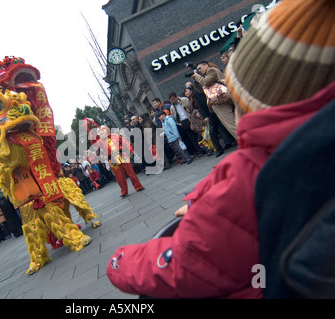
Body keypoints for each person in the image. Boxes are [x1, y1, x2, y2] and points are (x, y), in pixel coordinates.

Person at [106, 0, 335, 299]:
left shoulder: (259, 173)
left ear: (255, 94)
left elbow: (181, 266)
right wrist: (200, 205)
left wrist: (117, 262)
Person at [94, 125, 145, 198]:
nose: (102, 131)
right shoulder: (100, 141)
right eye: (100, 130)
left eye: (104, 129)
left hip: (123, 155)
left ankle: (138, 186)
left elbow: (125, 143)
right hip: (113, 159)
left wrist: (131, 150)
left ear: (108, 129)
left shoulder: (115, 136)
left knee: (131, 173)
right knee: (119, 177)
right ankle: (124, 191)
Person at [191, 61, 238, 140]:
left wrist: (196, 76)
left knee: (231, 124)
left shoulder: (212, 70)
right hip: (218, 101)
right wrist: (195, 79)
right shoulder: (203, 76)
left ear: (206, 65)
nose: (199, 70)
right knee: (229, 124)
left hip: (221, 101)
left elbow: (206, 82)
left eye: (200, 68)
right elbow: (200, 90)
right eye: (197, 69)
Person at [169, 92, 203, 158]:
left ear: (176, 97)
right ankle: (197, 150)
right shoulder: (172, 107)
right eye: (171, 100)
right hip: (181, 122)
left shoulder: (184, 100)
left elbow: (190, 108)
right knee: (189, 138)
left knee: (196, 135)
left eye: (173, 99)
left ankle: (202, 148)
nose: (173, 101)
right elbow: (174, 116)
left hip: (189, 119)